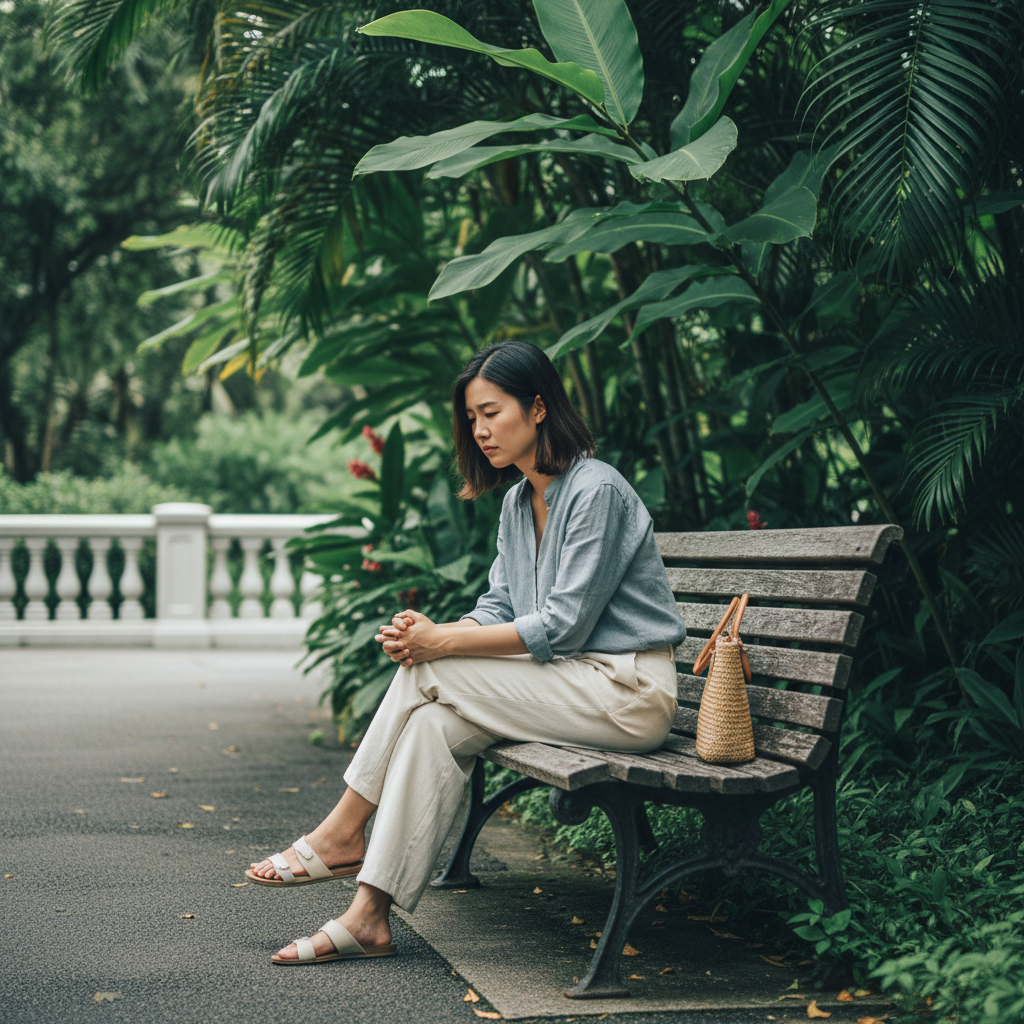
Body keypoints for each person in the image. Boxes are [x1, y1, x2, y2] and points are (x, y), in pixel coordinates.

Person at [247, 340, 687, 965]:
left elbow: (563, 625)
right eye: (472, 418)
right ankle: (369, 916)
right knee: (432, 723)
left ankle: (343, 830)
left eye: (492, 412)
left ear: (538, 408)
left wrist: (441, 641)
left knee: (433, 664)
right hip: (570, 684)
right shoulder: (516, 500)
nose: (480, 431)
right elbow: (500, 606)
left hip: (628, 694)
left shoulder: (596, 491)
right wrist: (432, 630)